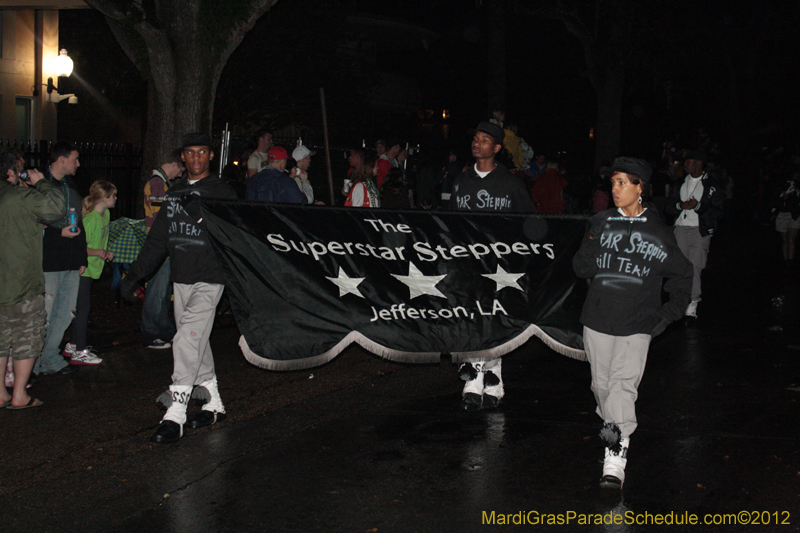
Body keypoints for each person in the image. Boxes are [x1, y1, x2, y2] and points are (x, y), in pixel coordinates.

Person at [573, 157, 692, 489]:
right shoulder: (599, 222)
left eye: (623, 182)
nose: (615, 189)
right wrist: (593, 243)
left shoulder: (658, 232)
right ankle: (613, 425)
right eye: (612, 182)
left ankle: (616, 454)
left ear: (641, 188)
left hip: (638, 322)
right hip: (597, 318)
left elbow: (683, 277)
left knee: (623, 387)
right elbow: (581, 268)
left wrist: (667, 315)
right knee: (602, 387)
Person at [121, 133, 238, 444]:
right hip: (182, 279)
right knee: (196, 339)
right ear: (183, 158)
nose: (196, 157)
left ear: (211, 156)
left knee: (185, 338)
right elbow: (158, 240)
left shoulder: (222, 192)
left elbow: (236, 236)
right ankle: (213, 402)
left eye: (202, 152)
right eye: (190, 153)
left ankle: (176, 412)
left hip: (211, 279)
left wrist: (204, 216)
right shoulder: (174, 193)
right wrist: (134, 276)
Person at [451, 121, 536, 411]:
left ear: (497, 148)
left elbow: (530, 224)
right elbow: (449, 222)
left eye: (484, 140)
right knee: (471, 316)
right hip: (467, 264)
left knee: (493, 318)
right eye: (475, 138)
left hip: (500, 266)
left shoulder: (511, 183)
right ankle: (474, 378)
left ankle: (494, 375)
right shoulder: (461, 181)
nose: (477, 143)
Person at [0, 147, 66, 409]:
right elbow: (57, 208)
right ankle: (19, 395)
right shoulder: (21, 196)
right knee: (27, 335)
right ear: (10, 170)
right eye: (19, 166)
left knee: (1, 338)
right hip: (22, 283)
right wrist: (40, 182)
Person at [36, 141, 95, 374]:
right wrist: (55, 233)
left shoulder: (69, 184)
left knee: (65, 312)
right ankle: (33, 362)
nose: (78, 164)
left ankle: (50, 358)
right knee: (46, 314)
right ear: (62, 160)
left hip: (70, 260)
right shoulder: (40, 184)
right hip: (49, 261)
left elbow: (77, 221)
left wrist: (81, 257)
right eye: (75, 159)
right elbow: (33, 223)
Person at [665, 150, 724, 325]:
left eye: (688, 161)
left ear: (698, 162)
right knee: (679, 267)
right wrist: (679, 205)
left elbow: (719, 211)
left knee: (695, 267)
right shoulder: (680, 183)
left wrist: (698, 207)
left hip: (700, 230)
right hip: (681, 229)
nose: (684, 164)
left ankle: (692, 306)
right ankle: (678, 302)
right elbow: (669, 206)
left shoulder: (712, 185)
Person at [141, 149, 184, 349]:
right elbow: (161, 216)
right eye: (180, 169)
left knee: (161, 292)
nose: (181, 174)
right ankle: (153, 333)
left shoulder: (160, 183)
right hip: (160, 247)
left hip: (162, 247)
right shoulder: (158, 184)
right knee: (157, 293)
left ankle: (161, 332)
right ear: (174, 164)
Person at [70, 181, 117, 364]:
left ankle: (73, 344)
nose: (115, 199)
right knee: (83, 309)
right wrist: (101, 253)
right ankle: (80, 351)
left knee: (83, 308)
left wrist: (105, 252)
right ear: (104, 198)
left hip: (93, 268)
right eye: (113, 195)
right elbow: (81, 247)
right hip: (83, 269)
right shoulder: (90, 220)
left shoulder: (105, 215)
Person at [775, 167, 800, 268]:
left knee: (791, 239)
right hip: (784, 213)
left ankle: (790, 262)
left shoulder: (797, 185)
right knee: (785, 240)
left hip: (795, 214)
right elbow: (779, 197)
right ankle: (786, 261)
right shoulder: (784, 184)